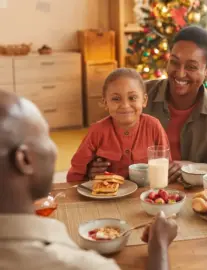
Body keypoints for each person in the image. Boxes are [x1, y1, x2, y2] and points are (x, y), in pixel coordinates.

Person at [0, 89, 177, 270]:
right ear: (25, 160)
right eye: (46, 136)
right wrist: (159, 246)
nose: (54, 147)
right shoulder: (79, 265)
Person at [89, 26, 207, 183]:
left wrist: (190, 167)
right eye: (174, 62)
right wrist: (94, 167)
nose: (180, 73)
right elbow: (101, 143)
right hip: (135, 189)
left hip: (193, 195)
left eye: (191, 67)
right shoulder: (136, 96)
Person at [67, 68, 170, 181]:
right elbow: (76, 173)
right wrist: (88, 175)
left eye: (132, 98)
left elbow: (165, 166)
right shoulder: (97, 131)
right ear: (105, 103)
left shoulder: (154, 126)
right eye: (116, 99)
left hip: (146, 194)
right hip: (107, 195)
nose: (125, 105)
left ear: (144, 100)